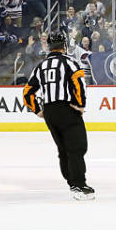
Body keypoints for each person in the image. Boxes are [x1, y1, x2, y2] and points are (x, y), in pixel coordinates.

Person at [23, 31, 94, 200]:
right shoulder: (70, 62)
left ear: (49, 46)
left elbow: (27, 92)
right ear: (64, 46)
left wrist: (38, 109)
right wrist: (80, 105)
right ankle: (79, 185)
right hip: (67, 109)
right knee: (77, 148)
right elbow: (79, 83)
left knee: (63, 149)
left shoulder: (41, 66)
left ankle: (72, 183)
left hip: (50, 113)